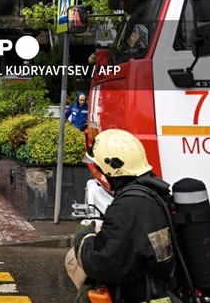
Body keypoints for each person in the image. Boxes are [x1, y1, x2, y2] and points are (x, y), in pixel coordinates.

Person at [73, 129, 178, 303]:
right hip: (162, 289)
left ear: (110, 167)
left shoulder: (128, 207)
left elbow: (101, 263)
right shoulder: (154, 193)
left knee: (74, 265)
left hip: (141, 294)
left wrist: (84, 232)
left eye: (100, 167)